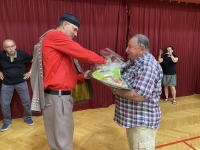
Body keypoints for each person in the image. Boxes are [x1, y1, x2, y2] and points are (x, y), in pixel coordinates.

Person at [31, 13, 106, 150]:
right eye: (74, 29)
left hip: (57, 98)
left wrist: (83, 76)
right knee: (62, 141)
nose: (75, 34)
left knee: (60, 138)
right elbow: (83, 53)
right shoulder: (55, 36)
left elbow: (61, 73)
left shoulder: (55, 41)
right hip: (58, 98)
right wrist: (106, 62)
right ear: (65, 24)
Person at [107, 34, 163, 150]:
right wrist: (103, 70)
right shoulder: (134, 61)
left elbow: (139, 95)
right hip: (135, 120)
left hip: (142, 123)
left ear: (141, 49)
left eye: (129, 46)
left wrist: (114, 89)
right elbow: (119, 70)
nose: (126, 50)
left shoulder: (148, 65)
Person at [0, 39, 34, 132]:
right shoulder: (1, 55)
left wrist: (30, 72)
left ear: (15, 46)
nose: (11, 48)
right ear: (4, 48)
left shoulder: (22, 54)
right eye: (8, 47)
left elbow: (35, 60)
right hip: (6, 83)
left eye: (12, 46)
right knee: (4, 104)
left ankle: (28, 117)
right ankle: (7, 120)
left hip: (21, 82)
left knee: (26, 101)